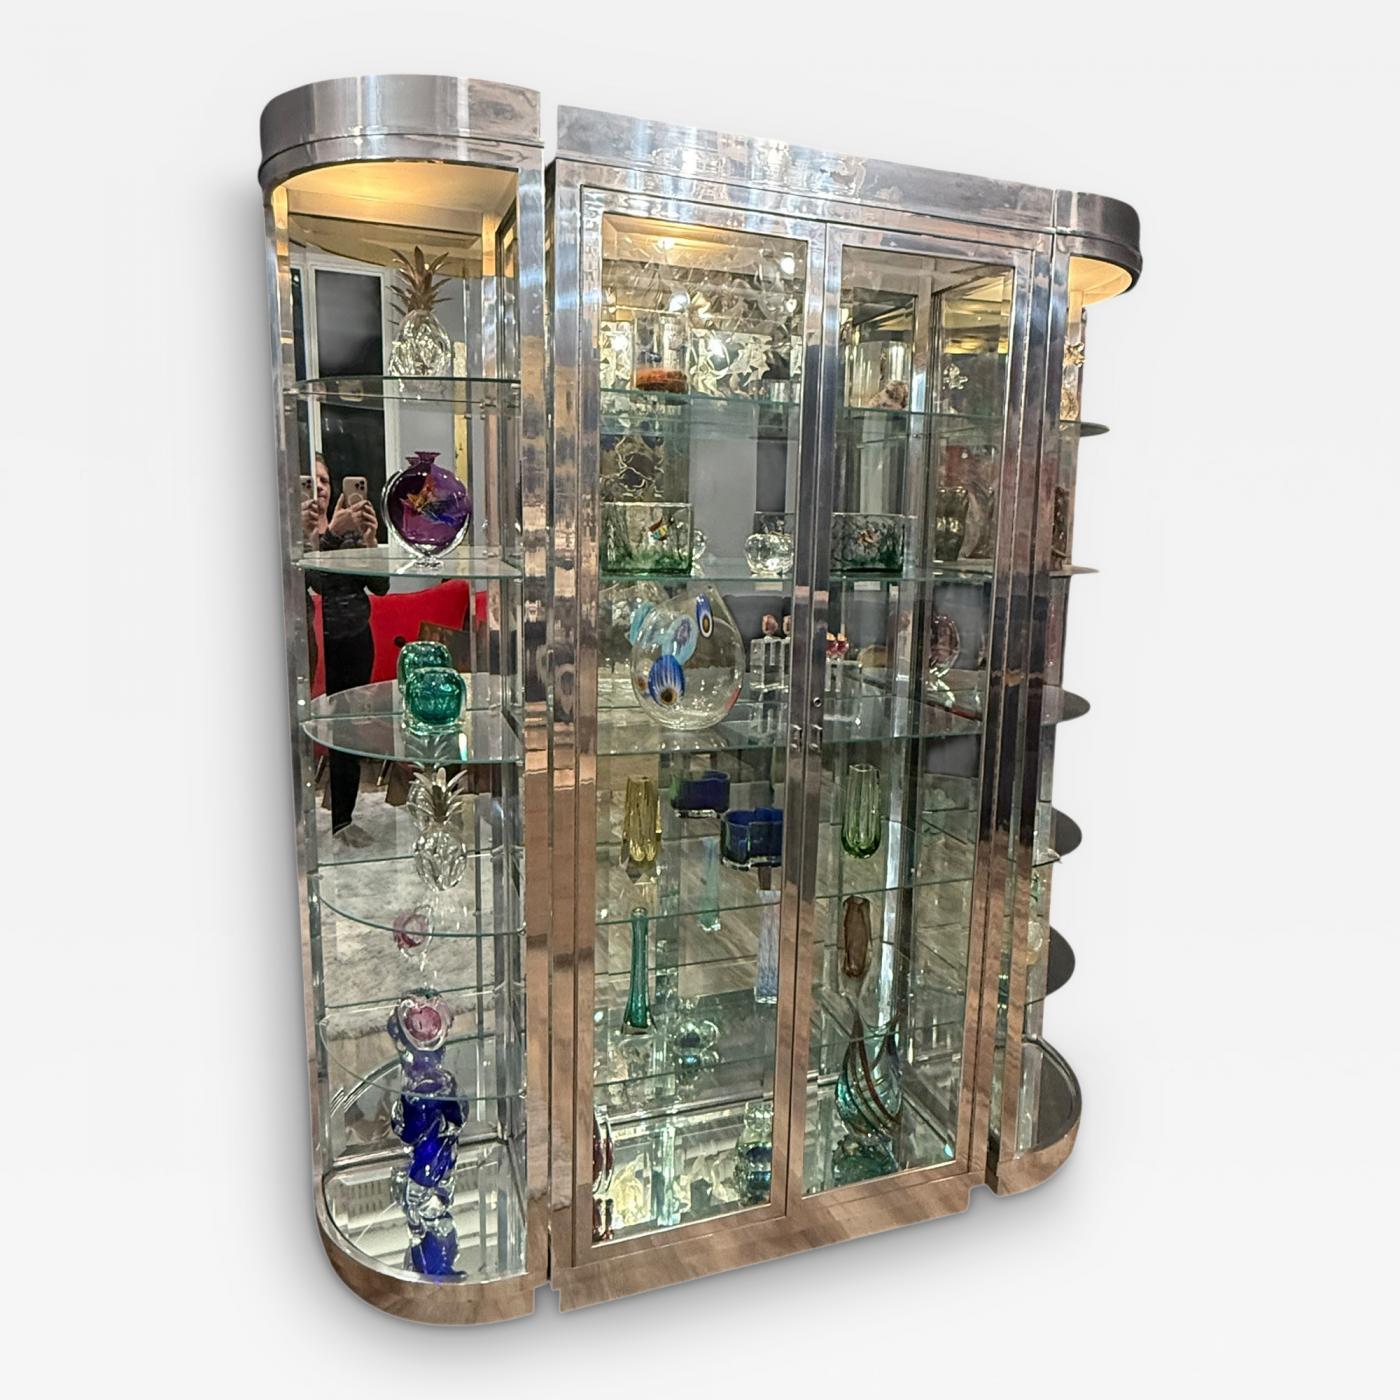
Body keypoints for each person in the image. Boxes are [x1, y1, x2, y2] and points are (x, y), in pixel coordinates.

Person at [302, 454, 388, 849]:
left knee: (348, 728)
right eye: (311, 481)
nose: (319, 487)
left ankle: (343, 819)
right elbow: (316, 581)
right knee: (313, 726)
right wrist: (332, 534)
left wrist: (370, 541)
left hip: (354, 639)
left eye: (324, 480)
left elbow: (380, 586)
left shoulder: (351, 529)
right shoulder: (300, 531)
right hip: (313, 642)